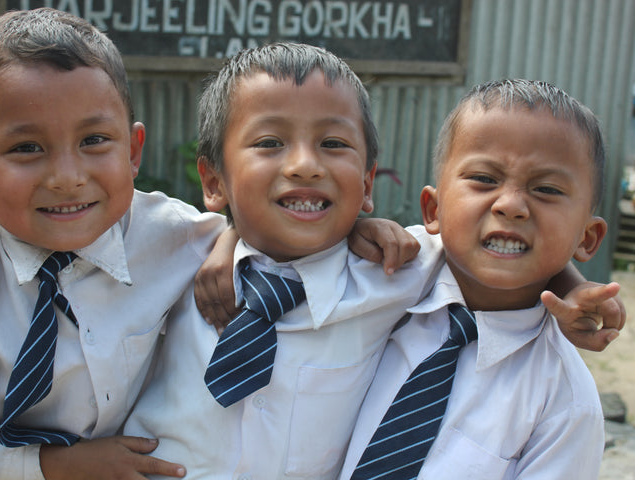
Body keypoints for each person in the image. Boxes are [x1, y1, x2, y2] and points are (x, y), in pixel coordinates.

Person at [122, 46, 621, 479]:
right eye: (270, 142)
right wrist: (231, 235)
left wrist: (570, 282)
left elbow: (499, 246)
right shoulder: (182, 252)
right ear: (431, 211)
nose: (304, 164)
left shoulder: (398, 278)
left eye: (546, 190)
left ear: (367, 185)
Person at [0, 8, 224, 480]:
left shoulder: (180, 237)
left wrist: (364, 231)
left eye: (94, 140)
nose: (65, 178)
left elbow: (274, 241)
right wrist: (57, 466)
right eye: (26, 148)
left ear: (133, 151)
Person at [339, 79, 610, 480]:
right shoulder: (388, 272)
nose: (511, 205)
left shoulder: (565, 401)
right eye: (484, 179)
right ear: (432, 209)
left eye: (547, 189)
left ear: (586, 239)